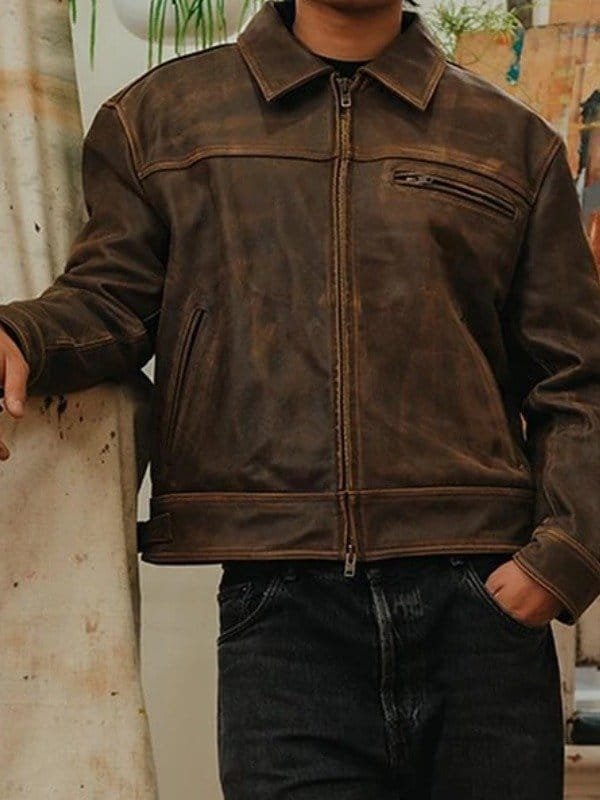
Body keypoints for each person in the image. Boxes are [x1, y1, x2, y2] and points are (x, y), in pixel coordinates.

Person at [1, 0, 599, 796]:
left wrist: (567, 557)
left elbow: (578, 374)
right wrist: (23, 337)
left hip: (480, 604)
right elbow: (110, 301)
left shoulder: (511, 140)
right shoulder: (161, 120)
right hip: (282, 612)